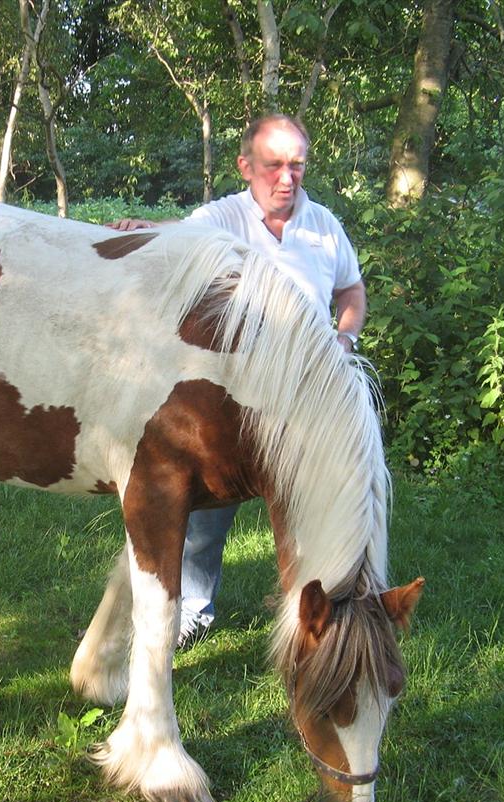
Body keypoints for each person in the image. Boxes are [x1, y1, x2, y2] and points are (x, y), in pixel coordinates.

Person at [107, 114, 367, 649]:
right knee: (207, 511)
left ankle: (317, 612)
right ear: (245, 167)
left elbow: (352, 295)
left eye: (297, 165)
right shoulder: (224, 218)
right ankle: (192, 614)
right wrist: (145, 231)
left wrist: (343, 342)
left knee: (316, 507)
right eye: (273, 165)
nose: (287, 178)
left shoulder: (323, 227)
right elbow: (179, 239)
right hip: (235, 401)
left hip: (309, 398)